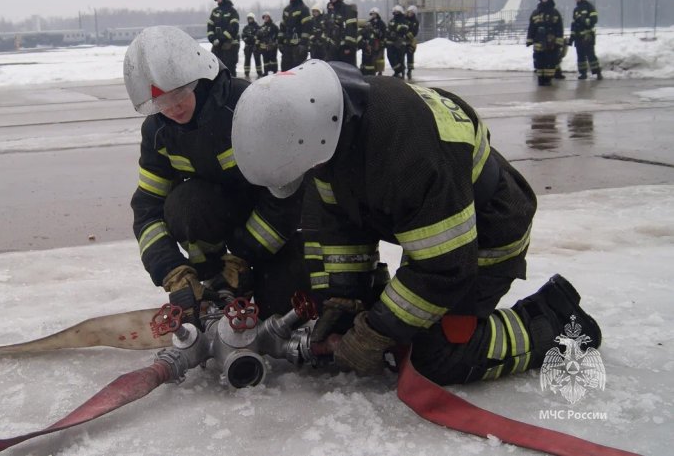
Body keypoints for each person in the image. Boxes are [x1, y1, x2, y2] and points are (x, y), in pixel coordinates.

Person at [231, 60, 601, 385]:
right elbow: (340, 225)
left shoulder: (407, 152)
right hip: (433, 229)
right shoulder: (331, 132)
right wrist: (345, 299)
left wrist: (376, 331)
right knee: (401, 322)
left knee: (438, 355)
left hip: (485, 232)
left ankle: (555, 319)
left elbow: (444, 268)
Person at [123, 26, 306, 326]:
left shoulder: (246, 106)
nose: (172, 108)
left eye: (178, 93)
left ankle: (248, 278)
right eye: (160, 103)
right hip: (221, 228)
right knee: (185, 206)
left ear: (199, 76)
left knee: (281, 307)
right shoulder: (158, 132)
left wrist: (245, 256)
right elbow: (147, 210)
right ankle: (214, 282)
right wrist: (172, 271)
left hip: (277, 227)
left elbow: (288, 192)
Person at [526, 0, 564, 86]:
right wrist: (529, 39)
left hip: (551, 44)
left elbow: (559, 28)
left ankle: (548, 79)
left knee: (550, 61)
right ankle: (540, 78)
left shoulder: (555, 13)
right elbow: (531, 27)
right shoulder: (536, 13)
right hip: (538, 42)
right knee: (539, 61)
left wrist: (558, 41)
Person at [570, 0, 602, 80]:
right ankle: (583, 73)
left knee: (591, 55)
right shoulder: (575, 10)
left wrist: (584, 20)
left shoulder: (589, 6)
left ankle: (598, 72)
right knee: (580, 56)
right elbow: (573, 24)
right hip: (578, 37)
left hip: (587, 36)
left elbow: (594, 20)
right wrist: (572, 37)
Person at [207, 0, 240, 77]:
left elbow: (234, 28)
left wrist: (221, 39)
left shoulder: (232, 11)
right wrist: (212, 38)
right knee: (215, 66)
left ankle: (232, 88)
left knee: (229, 68)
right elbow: (210, 26)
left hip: (230, 46)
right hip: (217, 45)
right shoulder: (215, 11)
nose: (218, 0)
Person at [278, 0, 311, 71]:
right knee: (285, 69)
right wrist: (280, 42)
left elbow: (307, 28)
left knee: (298, 70)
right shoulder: (287, 10)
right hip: (287, 46)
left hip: (298, 47)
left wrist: (303, 44)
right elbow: (282, 27)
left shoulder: (304, 9)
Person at [326, 0, 358, 66]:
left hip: (345, 48)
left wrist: (348, 46)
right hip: (333, 48)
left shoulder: (347, 10)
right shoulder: (332, 12)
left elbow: (351, 29)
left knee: (347, 70)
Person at [386, 5, 410, 78]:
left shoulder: (404, 21)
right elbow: (388, 30)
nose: (396, 13)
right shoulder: (391, 21)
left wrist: (395, 28)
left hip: (400, 42)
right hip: (391, 41)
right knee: (390, 56)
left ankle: (401, 72)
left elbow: (404, 29)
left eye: (397, 12)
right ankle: (397, 70)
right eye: (395, 12)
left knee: (400, 57)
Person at [256, 11, 279, 76]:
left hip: (272, 47)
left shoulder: (274, 26)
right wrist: (257, 45)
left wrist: (275, 43)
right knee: (265, 60)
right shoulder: (262, 27)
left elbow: (278, 36)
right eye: (264, 17)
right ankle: (266, 72)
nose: (265, 18)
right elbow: (258, 37)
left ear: (269, 17)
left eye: (267, 17)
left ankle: (275, 71)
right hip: (264, 48)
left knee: (273, 60)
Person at [241, 12, 263, 80]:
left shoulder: (257, 27)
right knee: (247, 59)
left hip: (255, 46)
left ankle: (259, 72)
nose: (250, 20)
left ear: (253, 19)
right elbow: (243, 36)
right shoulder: (246, 28)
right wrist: (247, 39)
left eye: (251, 18)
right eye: (249, 19)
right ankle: (246, 72)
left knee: (257, 59)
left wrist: (254, 39)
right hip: (248, 46)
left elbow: (259, 36)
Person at [403, 5, 420, 79]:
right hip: (403, 41)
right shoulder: (404, 19)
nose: (409, 13)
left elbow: (415, 32)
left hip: (410, 41)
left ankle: (409, 70)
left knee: (410, 56)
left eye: (411, 12)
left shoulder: (415, 22)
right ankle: (402, 70)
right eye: (409, 12)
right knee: (401, 56)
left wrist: (408, 34)